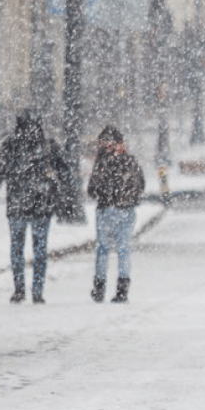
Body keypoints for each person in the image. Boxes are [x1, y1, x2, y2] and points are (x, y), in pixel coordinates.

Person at [0, 112, 71, 304]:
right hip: (41, 207)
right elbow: (65, 173)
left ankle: (19, 289)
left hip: (18, 206)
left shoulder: (10, 146)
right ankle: (37, 291)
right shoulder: (47, 146)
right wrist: (61, 196)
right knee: (39, 251)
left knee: (17, 250)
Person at [87, 126, 146, 303]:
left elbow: (92, 189)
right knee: (124, 249)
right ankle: (122, 288)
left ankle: (99, 287)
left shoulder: (101, 162)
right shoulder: (130, 161)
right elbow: (141, 185)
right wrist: (128, 198)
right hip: (126, 210)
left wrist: (104, 196)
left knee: (103, 249)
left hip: (105, 210)